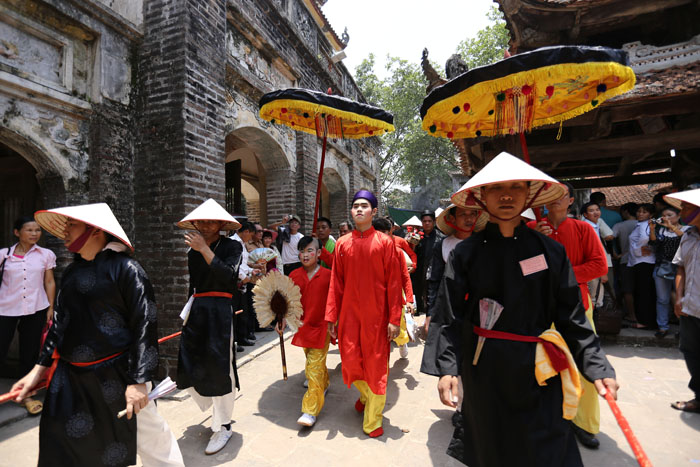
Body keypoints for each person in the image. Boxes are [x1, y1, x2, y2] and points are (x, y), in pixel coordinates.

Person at [423, 152, 617, 467]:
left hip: (539, 367)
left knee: (547, 446)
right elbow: (449, 316)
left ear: (529, 194)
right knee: (492, 447)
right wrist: (448, 368)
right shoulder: (466, 254)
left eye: (516, 187)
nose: (507, 195)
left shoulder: (551, 252)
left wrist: (597, 366)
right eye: (497, 188)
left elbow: (572, 317)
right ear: (482, 196)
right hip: (485, 367)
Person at [12, 203, 184, 466]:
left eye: (72, 225)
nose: (65, 231)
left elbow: (145, 324)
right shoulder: (72, 272)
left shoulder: (128, 269)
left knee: (150, 439)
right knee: (66, 443)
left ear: (95, 230)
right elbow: (59, 325)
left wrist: (139, 381)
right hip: (72, 376)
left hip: (120, 374)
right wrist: (37, 371)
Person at [527, 182, 609, 450]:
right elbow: (522, 268)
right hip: (539, 306)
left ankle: (584, 423)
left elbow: (598, 265)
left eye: (561, 195)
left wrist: (564, 275)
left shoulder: (583, 229)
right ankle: (545, 417)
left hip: (576, 306)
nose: (554, 199)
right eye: (549, 194)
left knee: (583, 361)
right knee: (541, 363)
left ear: (571, 201)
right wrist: (534, 242)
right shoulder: (531, 229)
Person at [325, 189, 403, 438]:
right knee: (349, 361)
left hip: (377, 316)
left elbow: (394, 283)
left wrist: (394, 319)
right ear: (351, 211)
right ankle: (366, 395)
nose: (359, 209)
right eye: (355, 206)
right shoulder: (342, 244)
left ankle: (373, 419)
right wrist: (332, 316)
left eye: (364, 206)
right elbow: (336, 283)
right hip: (349, 314)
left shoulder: (385, 243)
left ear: (374, 211)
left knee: (376, 365)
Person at [175, 199, 243, 455]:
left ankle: (224, 425)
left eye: (211, 221)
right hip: (198, 309)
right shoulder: (192, 251)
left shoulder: (232, 246)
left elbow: (228, 276)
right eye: (201, 221)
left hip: (220, 310)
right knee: (191, 361)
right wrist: (188, 313)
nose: (205, 225)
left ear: (221, 224)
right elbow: (194, 285)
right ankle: (213, 407)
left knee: (221, 366)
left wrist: (204, 249)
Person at [0, 216, 56, 415]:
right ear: (17, 232)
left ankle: (26, 395)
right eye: (29, 230)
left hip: (36, 308)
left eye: (37, 230)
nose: (34, 234)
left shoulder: (46, 254)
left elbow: (49, 281)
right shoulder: (3, 255)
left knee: (29, 352)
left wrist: (50, 307)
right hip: (5, 308)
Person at [284, 236, 332, 427]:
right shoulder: (294, 275)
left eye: (310, 250)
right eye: (302, 251)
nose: (305, 255)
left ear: (319, 253)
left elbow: (335, 302)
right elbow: (287, 301)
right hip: (302, 328)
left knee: (313, 368)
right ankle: (324, 383)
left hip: (322, 328)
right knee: (314, 363)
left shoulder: (328, 276)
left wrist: (334, 322)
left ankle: (310, 410)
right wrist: (281, 318)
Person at [423, 205, 487, 336]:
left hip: (480, 310)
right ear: (452, 219)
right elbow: (435, 281)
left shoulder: (485, 244)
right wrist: (430, 314)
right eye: (463, 214)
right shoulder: (443, 245)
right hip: (450, 309)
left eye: (472, 214)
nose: (469, 219)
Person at [665, 188, 700, 414]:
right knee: (691, 352)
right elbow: (681, 268)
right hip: (690, 307)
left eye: (686, 207)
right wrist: (678, 299)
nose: (682, 211)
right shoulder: (687, 236)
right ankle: (699, 397)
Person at [373, 217, 414, 359]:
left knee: (398, 323)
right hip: (375, 297)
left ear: (390, 232)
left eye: (384, 233)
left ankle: (402, 342)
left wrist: (409, 299)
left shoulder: (397, 252)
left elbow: (405, 277)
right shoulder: (367, 253)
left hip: (395, 296)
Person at [649, 205, 690, 338]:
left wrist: (671, 227)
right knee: (662, 299)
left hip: (682, 268)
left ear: (679, 216)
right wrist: (652, 229)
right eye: (664, 216)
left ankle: (684, 329)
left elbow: (686, 239)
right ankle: (663, 327)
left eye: (669, 215)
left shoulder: (687, 229)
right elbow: (654, 243)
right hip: (662, 266)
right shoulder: (661, 230)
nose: (666, 218)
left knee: (682, 298)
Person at [627, 204, 657, 329]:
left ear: (651, 214)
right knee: (643, 291)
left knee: (644, 292)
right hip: (640, 261)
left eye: (644, 212)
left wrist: (638, 250)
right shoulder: (640, 224)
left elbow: (645, 238)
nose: (640, 214)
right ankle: (645, 320)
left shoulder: (645, 225)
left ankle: (646, 322)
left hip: (644, 262)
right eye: (639, 211)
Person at [580, 202, 613, 308]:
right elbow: (591, 250)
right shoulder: (586, 226)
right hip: (593, 266)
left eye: (597, 209)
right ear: (585, 214)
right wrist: (601, 271)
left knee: (596, 295)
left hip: (595, 265)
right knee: (594, 297)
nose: (595, 212)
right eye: (591, 210)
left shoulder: (595, 225)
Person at [413, 209, 444, 316]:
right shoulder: (416, 237)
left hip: (435, 270)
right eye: (424, 221)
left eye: (429, 221)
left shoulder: (441, 238)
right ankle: (419, 310)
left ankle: (431, 313)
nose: (427, 223)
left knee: (432, 293)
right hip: (419, 270)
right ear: (421, 222)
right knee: (418, 291)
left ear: (434, 222)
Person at [612, 203, 639, 323]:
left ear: (626, 212)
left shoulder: (620, 225)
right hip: (643, 260)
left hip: (625, 259)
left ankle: (631, 315)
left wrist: (614, 254)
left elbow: (608, 238)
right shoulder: (643, 224)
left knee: (627, 289)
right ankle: (641, 314)